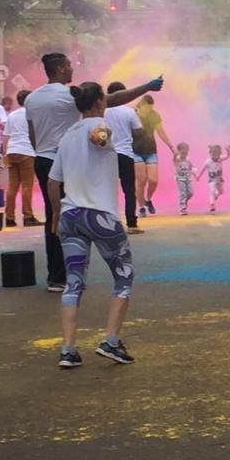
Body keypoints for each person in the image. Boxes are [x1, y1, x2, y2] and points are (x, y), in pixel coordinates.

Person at [25, 53, 160, 292]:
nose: (72, 69)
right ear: (59, 69)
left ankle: (57, 277)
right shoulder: (70, 95)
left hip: (44, 161)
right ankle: (78, 269)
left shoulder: (31, 98)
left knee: (54, 215)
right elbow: (111, 99)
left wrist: (43, 152)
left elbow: (32, 134)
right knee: (78, 210)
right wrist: (146, 87)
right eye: (68, 66)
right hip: (69, 161)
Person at [46, 82, 136, 369]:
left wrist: (55, 214)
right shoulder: (99, 126)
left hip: (71, 216)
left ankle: (68, 350)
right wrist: (100, 135)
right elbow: (100, 135)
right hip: (100, 216)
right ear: (99, 101)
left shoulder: (67, 136)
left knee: (73, 283)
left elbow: (53, 182)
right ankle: (111, 341)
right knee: (123, 277)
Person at [104, 82, 144, 234]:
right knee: (129, 191)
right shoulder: (129, 112)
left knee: (107, 190)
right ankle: (132, 224)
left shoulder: (101, 111)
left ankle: (108, 223)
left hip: (107, 155)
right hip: (125, 154)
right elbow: (139, 131)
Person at [2, 90, 41, 227]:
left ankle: (9, 217)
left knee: (12, 186)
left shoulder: (12, 115)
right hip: (27, 151)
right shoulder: (33, 115)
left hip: (12, 151)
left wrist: (5, 154)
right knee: (27, 186)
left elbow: (6, 135)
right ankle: (28, 216)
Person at [133, 95, 176, 217]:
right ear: (142, 105)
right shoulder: (133, 115)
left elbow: (161, 131)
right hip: (135, 151)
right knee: (141, 180)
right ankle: (141, 207)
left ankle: (148, 199)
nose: (149, 110)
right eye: (147, 108)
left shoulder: (154, 115)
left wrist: (171, 146)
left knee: (153, 180)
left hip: (151, 151)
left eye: (151, 108)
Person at [197, 144, 229, 213]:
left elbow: (227, 156)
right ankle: (212, 204)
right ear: (210, 154)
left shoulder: (220, 159)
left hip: (219, 179)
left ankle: (216, 195)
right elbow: (203, 169)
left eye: (218, 154)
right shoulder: (208, 161)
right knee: (212, 191)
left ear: (220, 154)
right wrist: (198, 176)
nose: (216, 156)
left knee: (221, 192)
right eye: (214, 154)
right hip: (212, 180)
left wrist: (228, 151)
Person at [174, 143, 196, 215]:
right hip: (180, 179)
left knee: (190, 193)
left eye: (186, 153)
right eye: (182, 153)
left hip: (188, 178)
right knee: (183, 193)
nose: (184, 154)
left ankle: (184, 202)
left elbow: (191, 166)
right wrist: (178, 162)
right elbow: (177, 168)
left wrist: (194, 172)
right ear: (179, 152)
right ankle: (182, 208)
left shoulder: (188, 159)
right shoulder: (178, 159)